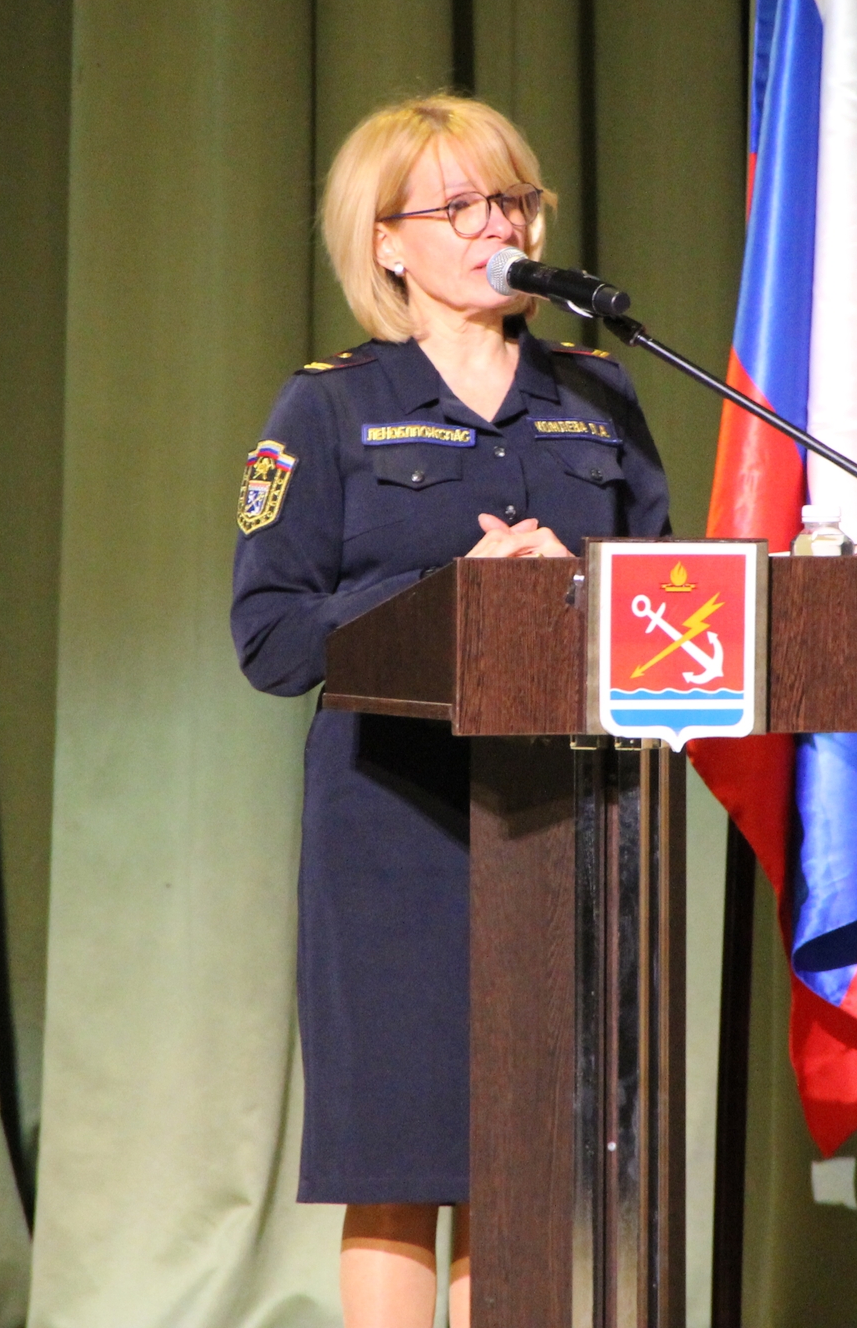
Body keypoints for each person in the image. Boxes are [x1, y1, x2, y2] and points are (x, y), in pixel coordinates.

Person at [230, 94, 671, 1328]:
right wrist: (448, 595)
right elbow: (270, 638)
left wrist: (580, 587)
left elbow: (666, 610)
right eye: (460, 206)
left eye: (511, 200)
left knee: (521, 1162)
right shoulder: (328, 407)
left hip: (564, 816)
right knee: (401, 1158)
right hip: (394, 824)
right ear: (386, 243)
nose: (496, 226)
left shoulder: (599, 396)